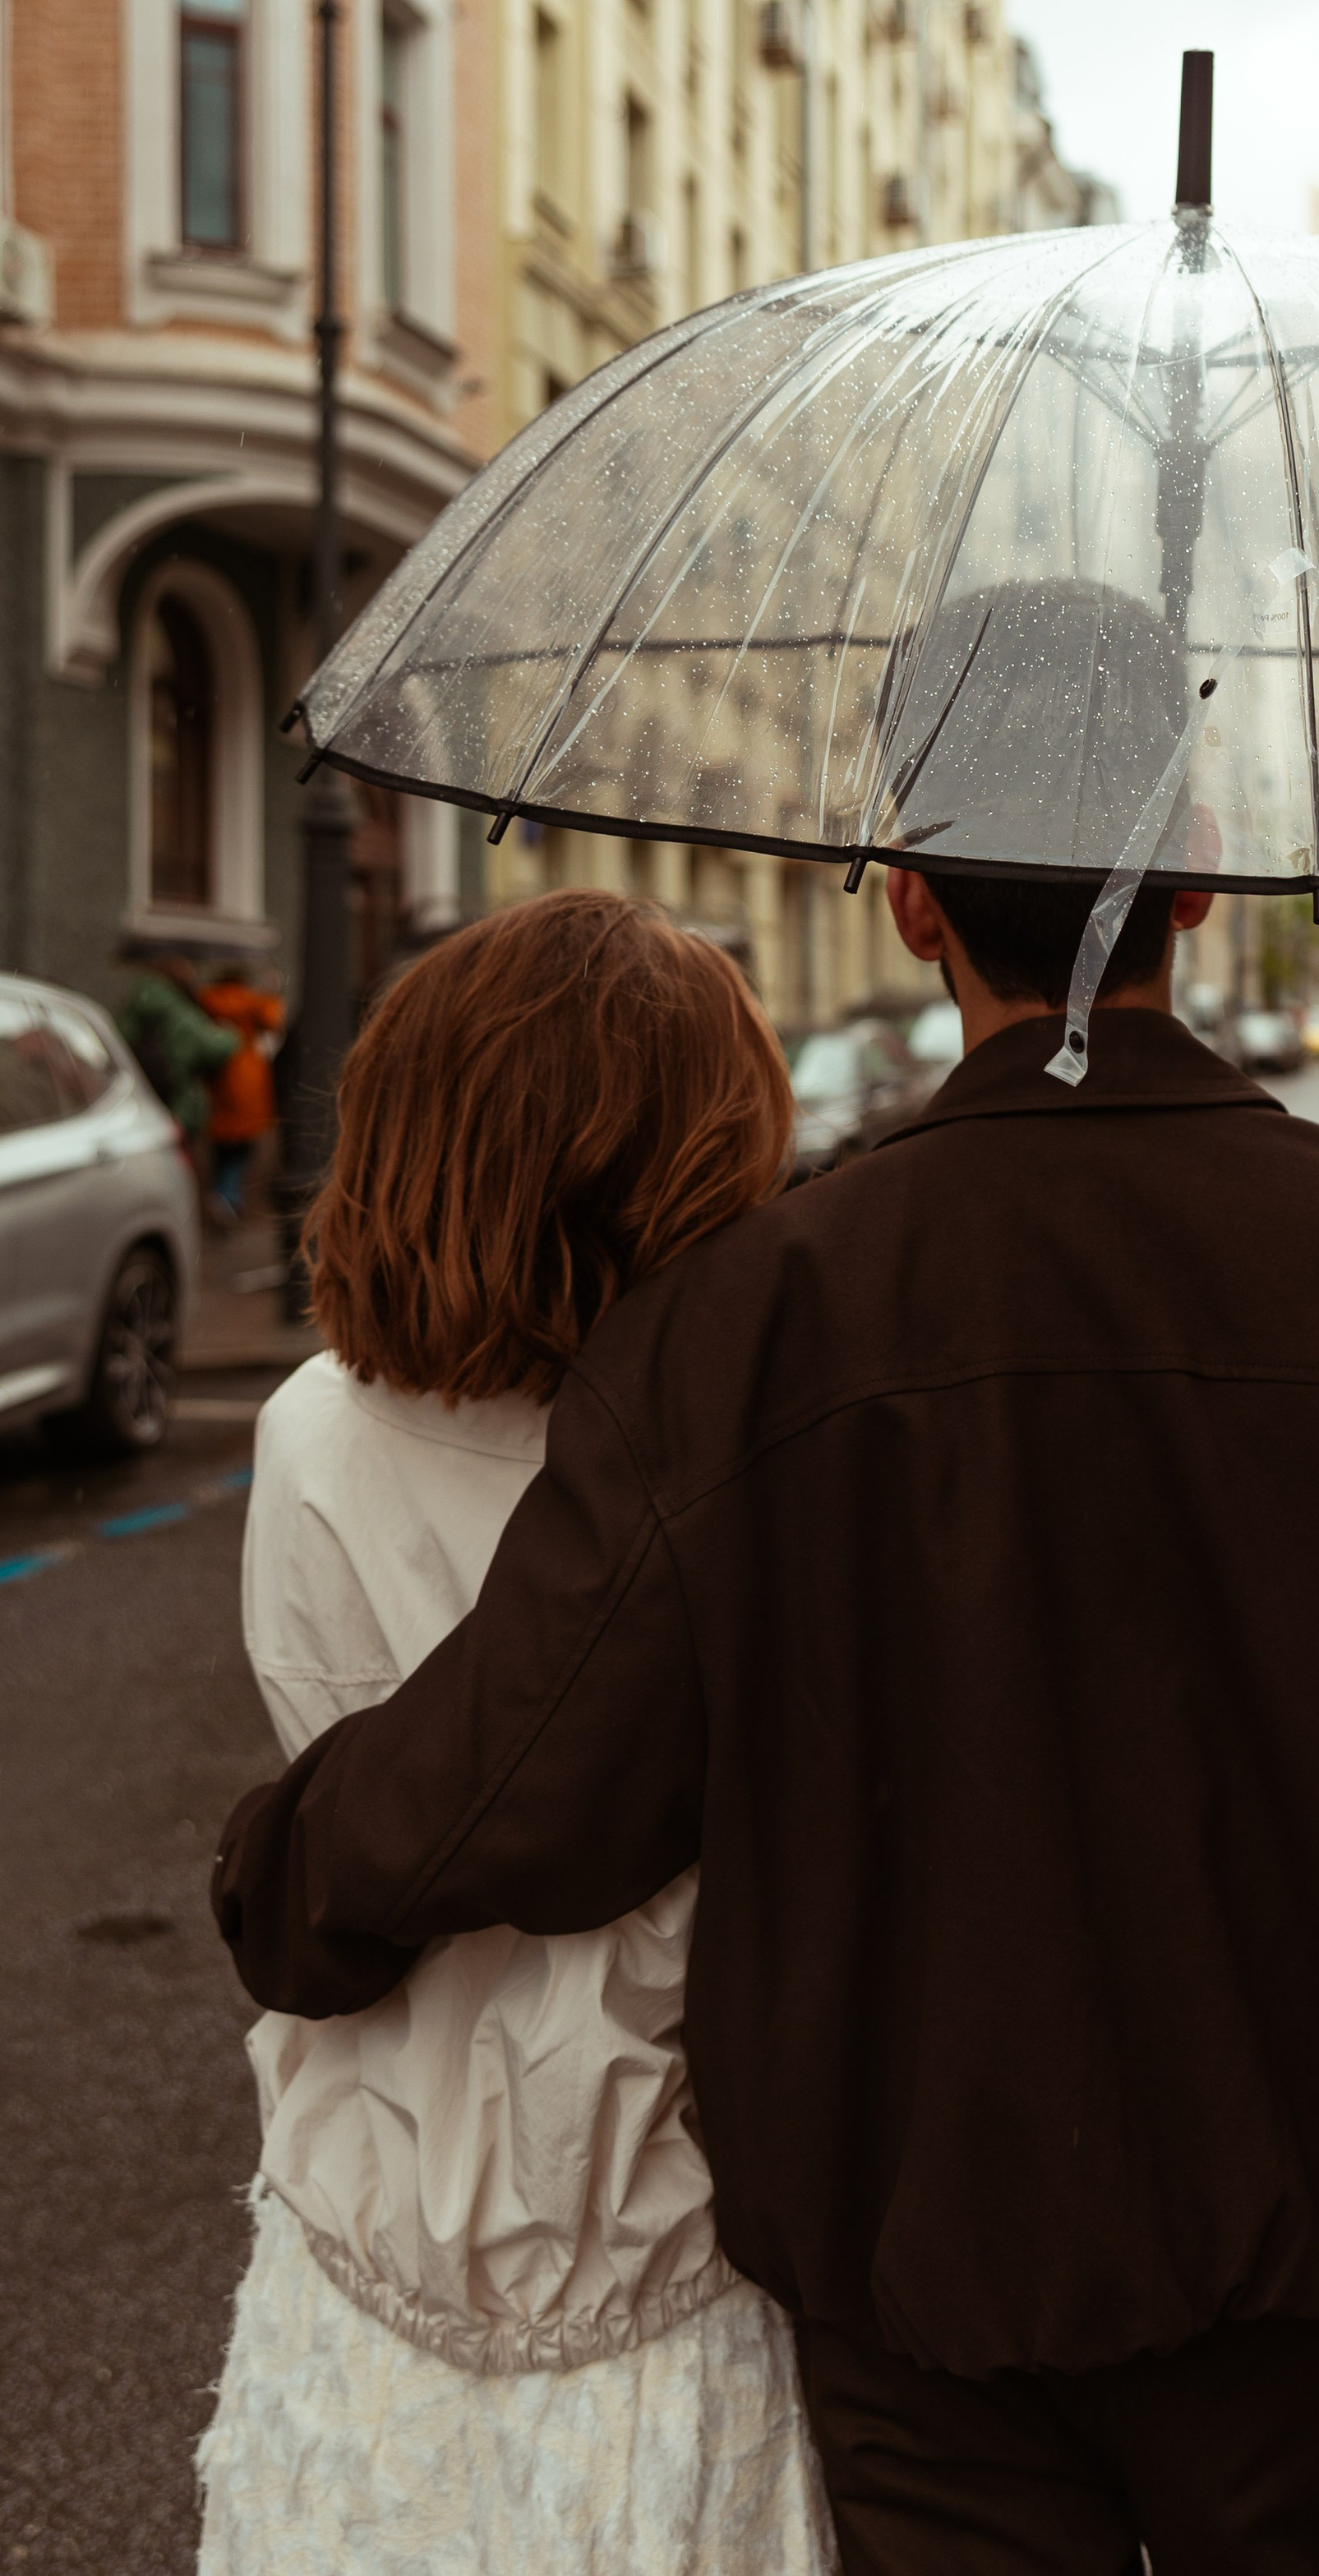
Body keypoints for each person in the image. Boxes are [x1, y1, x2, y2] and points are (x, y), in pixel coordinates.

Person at [213, 578, 1319, 2574]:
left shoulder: (758, 1318)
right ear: (1201, 874)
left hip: (922, 2269)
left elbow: (543, 1753)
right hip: (1317, 2236)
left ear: (902, 891)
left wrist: (285, 1876)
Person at [194, 890, 835, 2576]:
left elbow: (338, 1765)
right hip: (664, 2225)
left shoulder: (311, 1431)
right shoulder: (742, 1453)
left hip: (381, 2203)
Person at [118, 947, 235, 1171]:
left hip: (141, 1103)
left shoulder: (134, 1006)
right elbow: (213, 1048)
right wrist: (228, 1032)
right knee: (176, 1172)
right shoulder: (176, 1011)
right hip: (177, 1105)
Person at [197, 964, 284, 1225]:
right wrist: (273, 992)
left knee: (222, 1141)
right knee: (242, 1143)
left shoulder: (208, 999)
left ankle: (222, 1192)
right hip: (247, 1075)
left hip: (217, 1076)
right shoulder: (252, 1001)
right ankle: (227, 1196)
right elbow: (274, 1021)